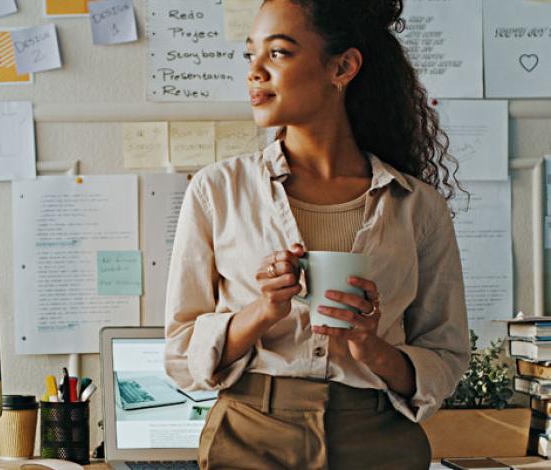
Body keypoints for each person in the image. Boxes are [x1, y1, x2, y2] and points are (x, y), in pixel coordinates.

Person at [163, 0, 470, 469]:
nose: (255, 73)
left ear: (342, 67)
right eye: (251, 55)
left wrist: (373, 349)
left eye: (279, 53)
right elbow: (181, 354)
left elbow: (445, 357)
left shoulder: (417, 206)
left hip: (380, 441)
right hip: (250, 436)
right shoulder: (216, 191)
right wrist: (263, 311)